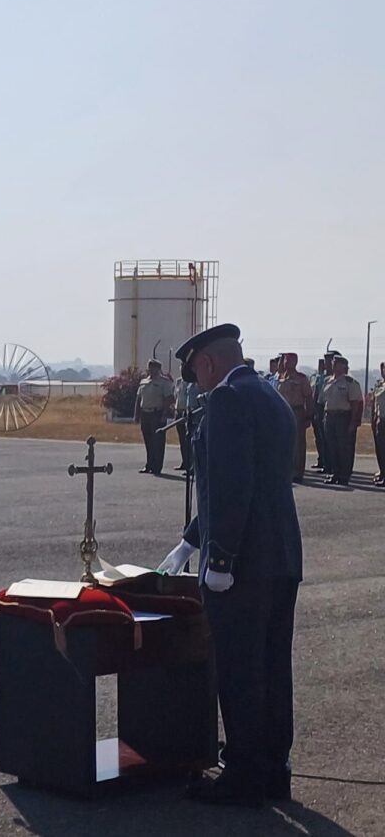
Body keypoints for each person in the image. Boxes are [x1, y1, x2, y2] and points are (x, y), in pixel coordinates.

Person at [159, 323, 302, 807]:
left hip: (242, 564)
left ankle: (243, 774)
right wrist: (189, 540)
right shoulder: (268, 396)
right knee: (272, 668)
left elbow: (232, 486)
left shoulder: (226, 401)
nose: (195, 384)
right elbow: (250, 482)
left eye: (194, 374)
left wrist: (218, 557)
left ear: (207, 364)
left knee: (240, 672)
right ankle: (272, 770)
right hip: (280, 557)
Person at [322, 355, 362, 487]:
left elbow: (356, 404)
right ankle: (335, 473)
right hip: (330, 416)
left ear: (343, 366)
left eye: (337, 363)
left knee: (344, 448)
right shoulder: (328, 381)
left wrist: (353, 422)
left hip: (343, 417)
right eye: (333, 363)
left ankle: (344, 476)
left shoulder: (350, 382)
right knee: (331, 447)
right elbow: (323, 401)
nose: (333, 365)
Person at [275, 353, 313, 484]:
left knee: (297, 443)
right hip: (282, 411)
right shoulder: (279, 377)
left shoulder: (301, 378)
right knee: (282, 442)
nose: (286, 362)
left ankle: (297, 472)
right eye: (285, 360)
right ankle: (286, 469)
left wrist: (309, 415)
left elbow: (308, 397)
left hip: (296, 411)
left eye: (290, 360)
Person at [134, 359, 173, 474]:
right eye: (150, 367)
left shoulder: (164, 382)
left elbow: (168, 399)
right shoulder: (143, 382)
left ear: (159, 369)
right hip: (145, 414)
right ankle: (149, 464)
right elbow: (138, 399)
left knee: (158, 442)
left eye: (154, 368)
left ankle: (157, 467)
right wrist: (136, 414)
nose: (152, 370)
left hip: (157, 413)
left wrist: (164, 414)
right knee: (148, 441)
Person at [172, 375, 201, 472]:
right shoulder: (180, 382)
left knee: (193, 441)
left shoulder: (198, 382)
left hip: (195, 415)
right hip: (184, 412)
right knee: (185, 441)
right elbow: (176, 396)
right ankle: (186, 463)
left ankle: (193, 466)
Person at [310, 358, 329, 473]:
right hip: (315, 407)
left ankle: (327, 462)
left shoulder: (327, 379)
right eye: (320, 363)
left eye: (323, 363)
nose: (321, 366)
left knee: (325, 438)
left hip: (323, 407)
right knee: (318, 437)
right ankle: (321, 459)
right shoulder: (314, 377)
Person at [372, 362, 385, 487]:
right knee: (381, 449)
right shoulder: (379, 385)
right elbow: (376, 403)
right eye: (382, 368)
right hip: (380, 419)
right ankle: (383, 472)